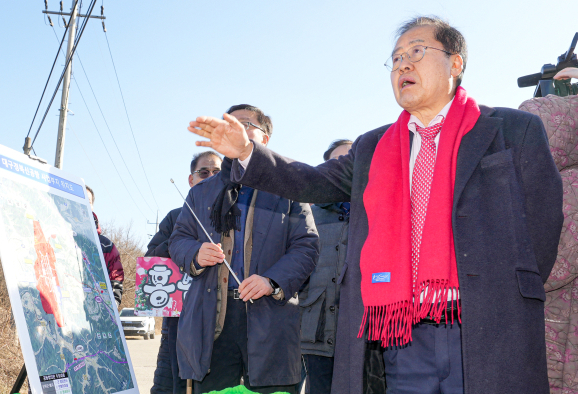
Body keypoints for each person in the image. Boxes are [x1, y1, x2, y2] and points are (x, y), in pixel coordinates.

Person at [187, 17, 564, 394]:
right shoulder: (374, 147)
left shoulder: (512, 130)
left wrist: (503, 291)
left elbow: (542, 229)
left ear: (455, 64)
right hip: (401, 335)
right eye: (396, 58)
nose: (402, 65)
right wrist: (247, 152)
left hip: (489, 329)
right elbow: (311, 180)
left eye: (417, 52)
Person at [169, 104, 319, 394]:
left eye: (246, 124)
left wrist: (271, 280)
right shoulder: (202, 191)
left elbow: (307, 245)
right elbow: (178, 240)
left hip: (270, 315)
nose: (235, 129)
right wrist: (195, 253)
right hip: (211, 320)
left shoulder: (290, 185)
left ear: (265, 138)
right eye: (229, 123)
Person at [300, 139, 383, 394]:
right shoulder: (307, 214)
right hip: (316, 329)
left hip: (370, 330)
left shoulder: (379, 209)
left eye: (350, 161)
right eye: (335, 162)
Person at [148, 151, 222, 394]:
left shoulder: (236, 214)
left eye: (217, 173)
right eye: (204, 173)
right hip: (179, 320)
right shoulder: (174, 216)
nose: (210, 177)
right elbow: (151, 262)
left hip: (222, 319)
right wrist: (180, 244)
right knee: (171, 386)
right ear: (191, 180)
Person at [86, 185, 125, 306]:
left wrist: (112, 308)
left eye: (88, 201)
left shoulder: (106, 246)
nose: (84, 204)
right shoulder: (53, 234)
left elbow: (116, 280)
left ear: (92, 206)